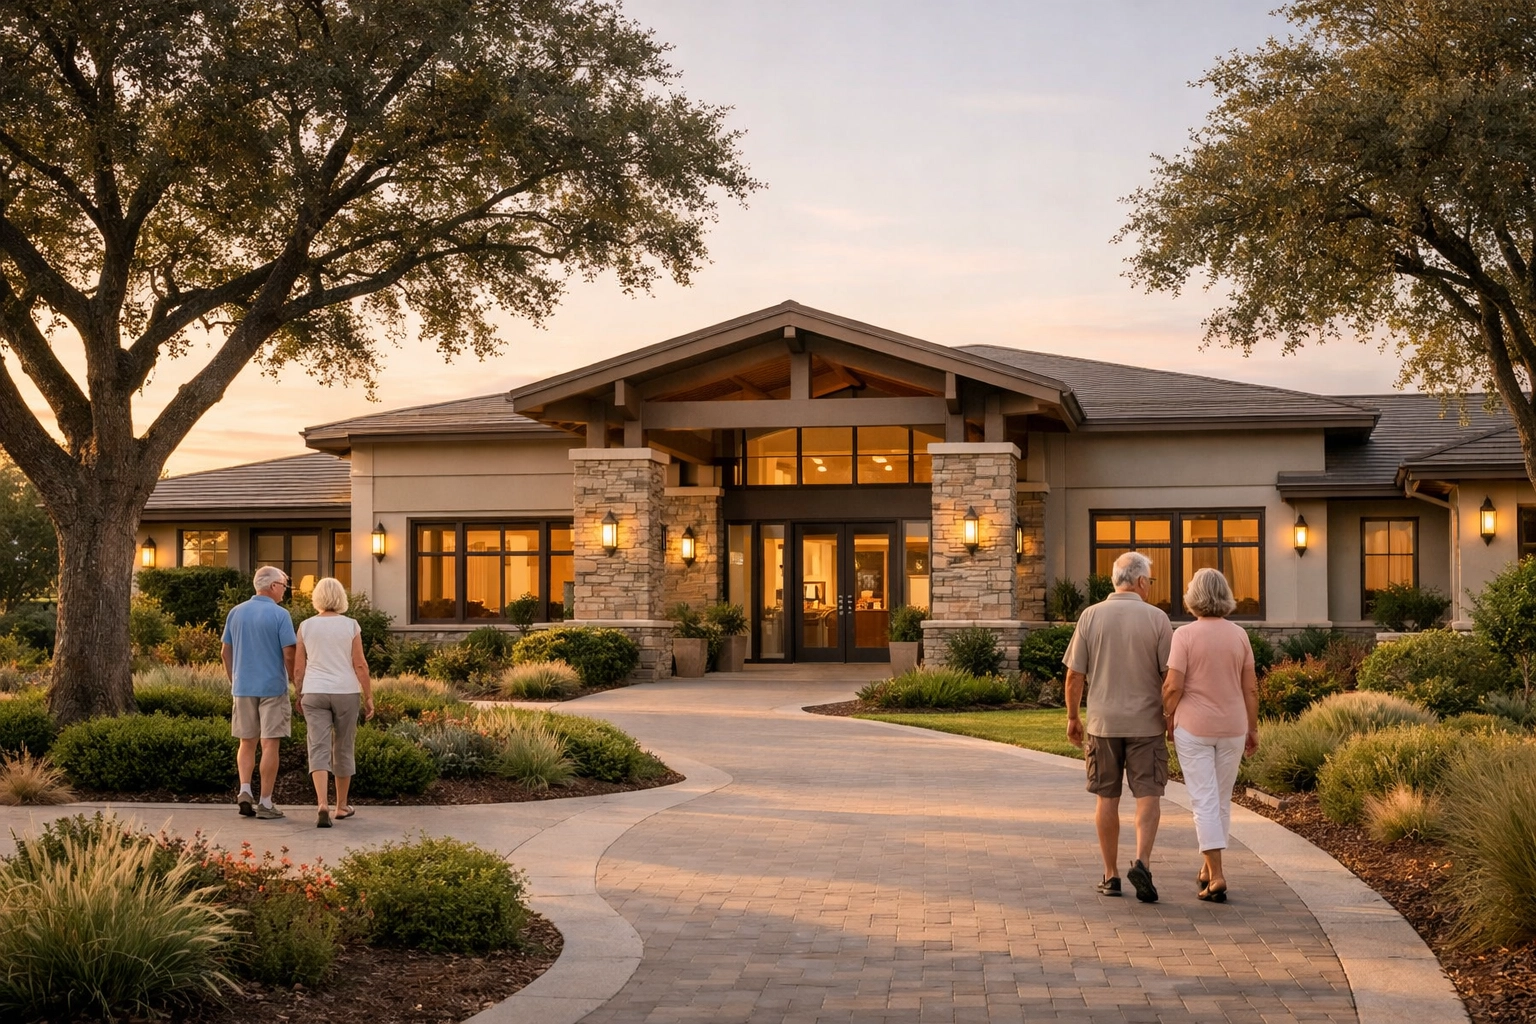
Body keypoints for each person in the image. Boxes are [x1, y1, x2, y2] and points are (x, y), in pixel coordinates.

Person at [1062, 551, 1173, 903]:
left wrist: (1072, 717)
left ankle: (1110, 876)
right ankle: (1142, 861)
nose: (1150, 587)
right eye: (1150, 582)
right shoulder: (1157, 619)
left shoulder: (1090, 616)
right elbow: (1169, 677)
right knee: (1148, 795)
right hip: (1147, 724)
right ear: (1140, 581)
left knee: (1106, 798)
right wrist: (1170, 716)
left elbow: (1074, 674)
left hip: (1103, 724)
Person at [1162, 567, 1260, 903]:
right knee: (1220, 800)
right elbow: (1251, 689)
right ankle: (1208, 867)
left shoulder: (1184, 636)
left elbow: (1173, 685)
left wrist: (1167, 715)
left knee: (1203, 800)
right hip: (1233, 727)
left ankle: (1217, 875)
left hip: (1194, 727)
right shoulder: (1239, 636)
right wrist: (1253, 728)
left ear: (1194, 596)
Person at [294, 577, 374, 828]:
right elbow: (359, 664)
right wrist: (369, 695)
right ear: (341, 598)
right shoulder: (351, 625)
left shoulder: (305, 626)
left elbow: (299, 667)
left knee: (317, 746)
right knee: (343, 746)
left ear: (316, 598)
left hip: (314, 691)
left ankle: (321, 803)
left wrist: (299, 693)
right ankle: (341, 806)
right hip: (345, 692)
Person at [222, 565, 298, 819]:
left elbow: (225, 651)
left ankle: (245, 790)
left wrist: (235, 679)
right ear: (273, 586)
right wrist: (297, 682)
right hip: (272, 688)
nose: (285, 592)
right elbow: (289, 653)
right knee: (269, 744)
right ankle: (265, 802)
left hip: (243, 687)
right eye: (284, 586)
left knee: (246, 741)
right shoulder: (280, 615)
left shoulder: (236, 612)